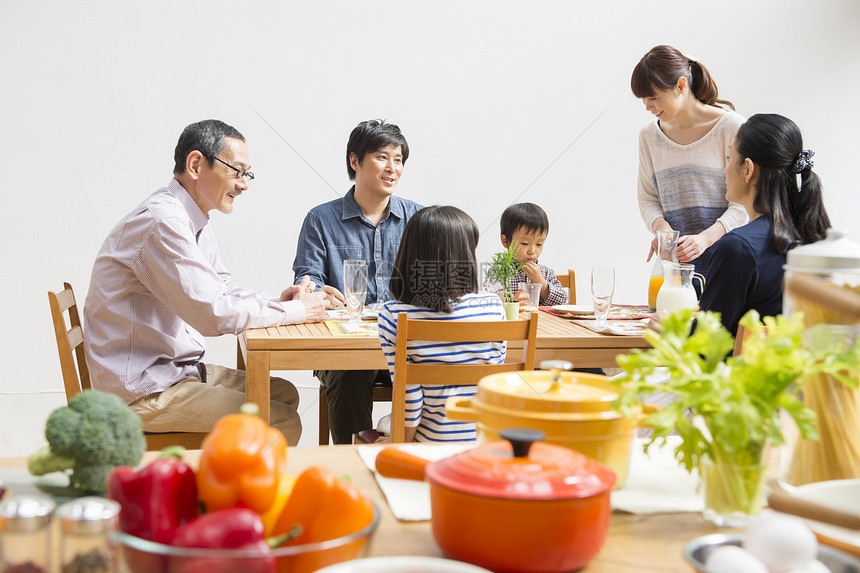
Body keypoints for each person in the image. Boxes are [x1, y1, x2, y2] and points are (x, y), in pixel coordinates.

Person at [84, 119, 328, 445]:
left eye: (247, 174)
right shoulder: (164, 221)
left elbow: (222, 288)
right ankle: (240, 494)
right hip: (141, 389)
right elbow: (214, 315)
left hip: (169, 371)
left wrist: (279, 304)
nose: (244, 185)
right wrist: (299, 311)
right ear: (196, 164)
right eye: (237, 171)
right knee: (279, 419)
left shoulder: (193, 218)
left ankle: (228, 482)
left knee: (283, 393)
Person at [292, 119, 423, 444]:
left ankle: (419, 460)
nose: (393, 167)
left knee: (444, 365)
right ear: (355, 161)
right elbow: (307, 283)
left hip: (405, 345)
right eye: (383, 157)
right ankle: (357, 462)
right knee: (349, 369)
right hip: (344, 348)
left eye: (399, 159)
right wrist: (318, 292)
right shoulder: (321, 220)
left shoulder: (418, 220)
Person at [377, 206, 507, 442]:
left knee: (376, 432)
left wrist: (397, 445)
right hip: (487, 443)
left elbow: (410, 396)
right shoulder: (493, 307)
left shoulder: (393, 315)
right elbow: (493, 381)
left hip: (429, 446)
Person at [698, 113, 831, 336]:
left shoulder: (736, 248)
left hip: (739, 371)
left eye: (730, 159)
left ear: (748, 169)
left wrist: (673, 325)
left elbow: (703, 345)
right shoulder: (815, 237)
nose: (724, 169)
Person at [631, 45, 748, 281]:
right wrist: (663, 231)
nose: (647, 106)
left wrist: (704, 239)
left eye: (653, 97)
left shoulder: (731, 127)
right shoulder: (649, 136)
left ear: (681, 85)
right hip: (674, 271)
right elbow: (648, 199)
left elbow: (744, 202)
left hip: (727, 263)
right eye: (644, 99)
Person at [495, 203, 568, 306]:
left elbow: (562, 301)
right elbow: (488, 296)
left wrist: (540, 282)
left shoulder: (546, 273)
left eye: (539, 244)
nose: (532, 251)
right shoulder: (499, 271)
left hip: (542, 322)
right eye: (525, 243)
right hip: (512, 321)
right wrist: (505, 298)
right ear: (505, 241)